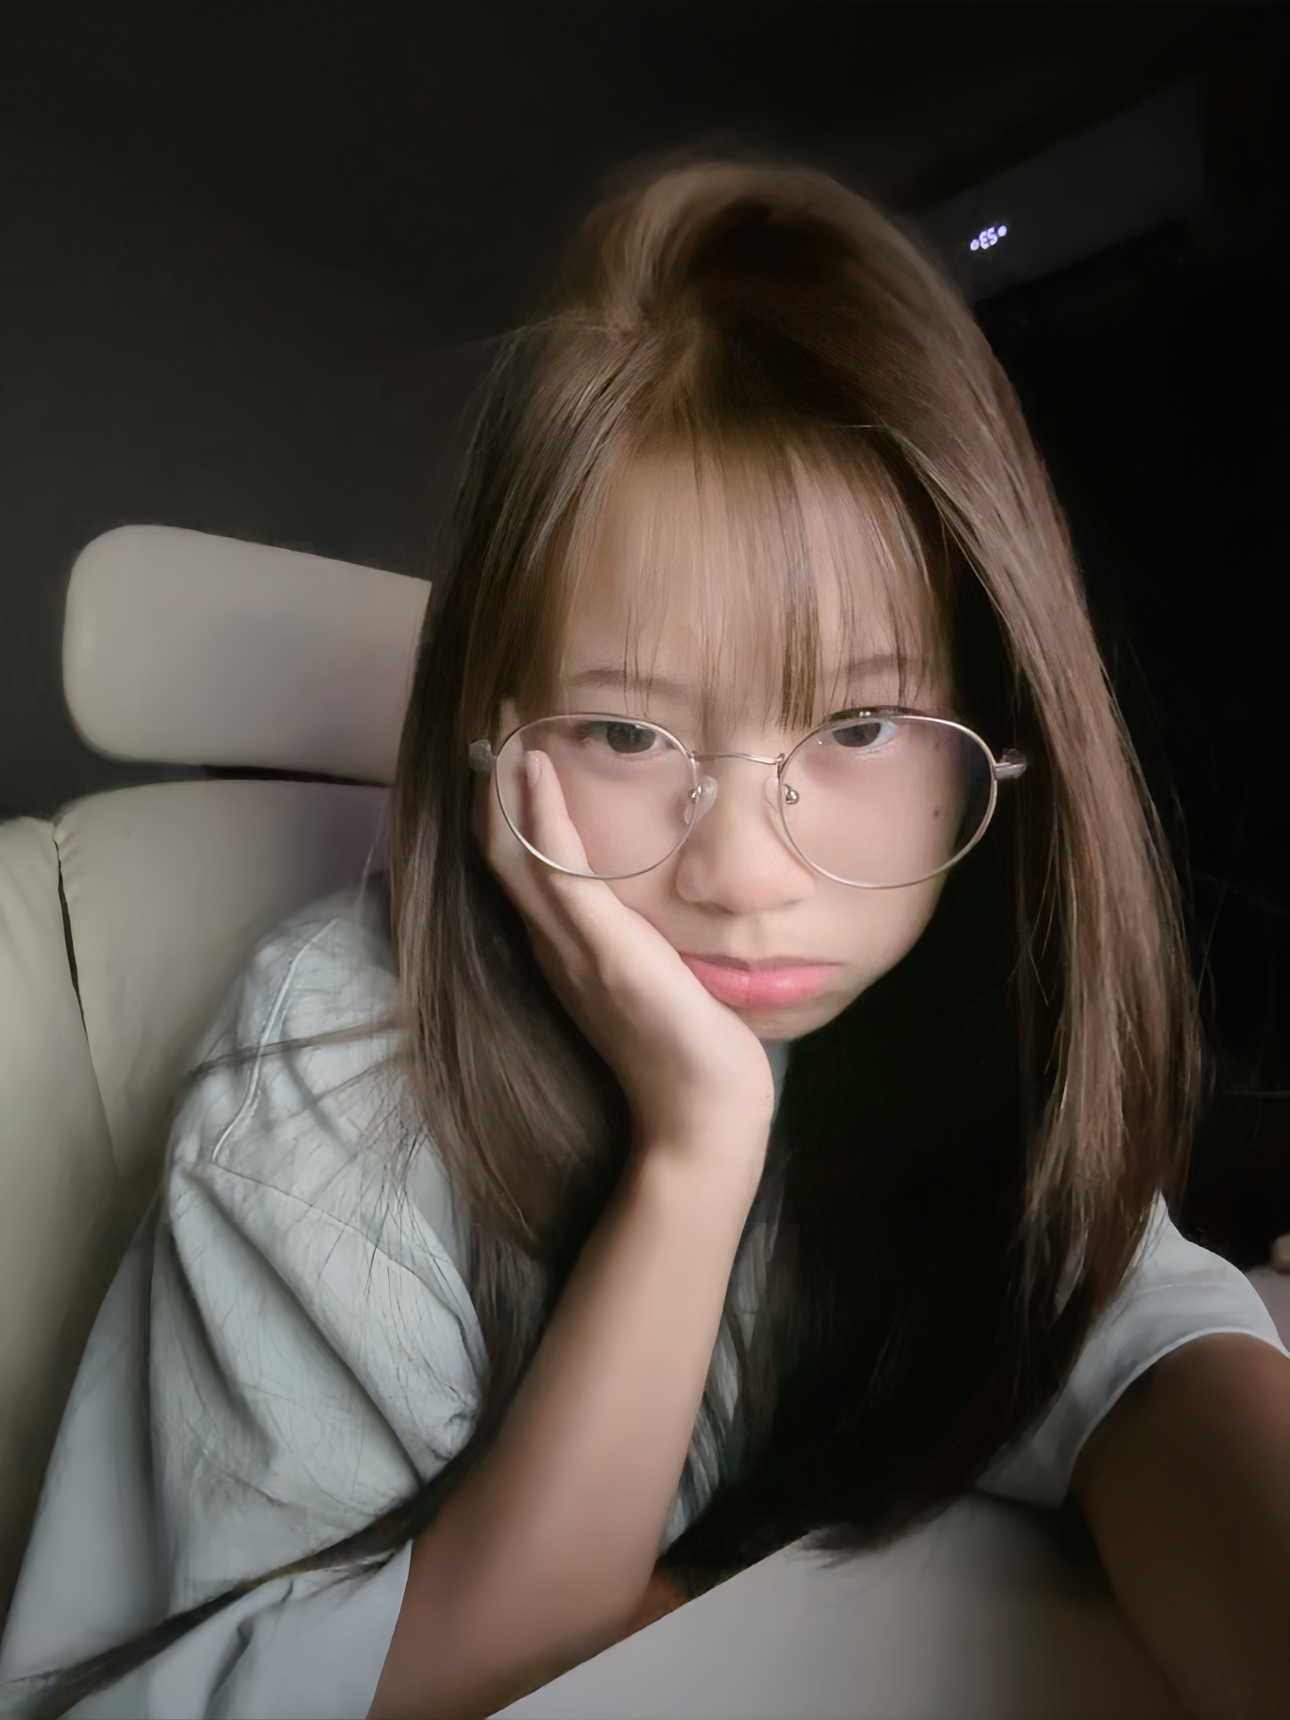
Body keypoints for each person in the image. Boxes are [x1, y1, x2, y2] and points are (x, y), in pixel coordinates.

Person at [2, 157, 1288, 1720]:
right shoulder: (335, 1069)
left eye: (859, 725)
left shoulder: (950, 1002)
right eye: (622, 732)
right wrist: (696, 1146)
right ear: (497, 739)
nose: (742, 873)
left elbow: (1117, 1330)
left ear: (991, 738)